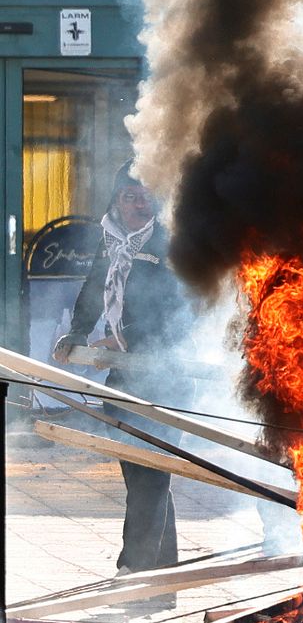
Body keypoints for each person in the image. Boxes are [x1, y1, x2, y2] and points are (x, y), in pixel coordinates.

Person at [52, 161, 193, 575]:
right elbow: (96, 286)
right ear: (116, 201)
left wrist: (128, 339)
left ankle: (134, 568)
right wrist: (78, 332)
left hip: (165, 372)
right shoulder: (111, 237)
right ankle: (160, 570)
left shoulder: (170, 240)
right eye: (129, 196)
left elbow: (178, 306)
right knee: (143, 470)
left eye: (145, 196)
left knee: (150, 467)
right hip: (127, 372)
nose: (138, 203)